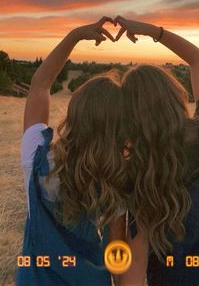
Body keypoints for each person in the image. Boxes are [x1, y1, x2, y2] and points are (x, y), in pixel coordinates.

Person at [113, 16, 199, 286]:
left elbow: (137, 257)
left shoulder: (136, 167)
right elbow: (197, 60)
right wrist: (152, 31)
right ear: (174, 94)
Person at [16, 17, 127, 286]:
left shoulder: (36, 154)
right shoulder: (118, 174)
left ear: (74, 112)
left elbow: (40, 85)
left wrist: (75, 36)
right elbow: (117, 252)